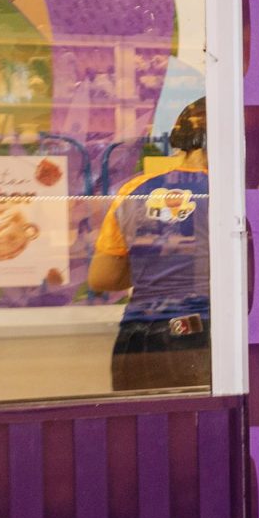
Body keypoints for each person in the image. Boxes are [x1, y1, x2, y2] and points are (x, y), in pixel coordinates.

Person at [89, 100, 211, 392]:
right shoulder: (231, 194)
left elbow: (102, 278)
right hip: (199, 337)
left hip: (136, 337)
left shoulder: (133, 190)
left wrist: (153, 266)